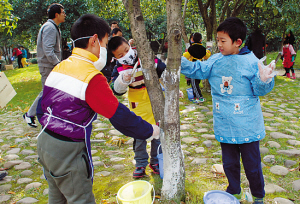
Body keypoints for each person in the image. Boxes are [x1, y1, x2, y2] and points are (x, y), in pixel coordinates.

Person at [36, 14, 160, 204]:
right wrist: (150, 130)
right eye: (105, 43)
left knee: (57, 198)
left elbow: (40, 105)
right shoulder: (91, 77)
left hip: (44, 142)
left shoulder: (61, 66)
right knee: (81, 198)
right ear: (94, 40)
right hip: (68, 150)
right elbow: (119, 115)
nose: (106, 50)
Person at [181, 17, 276, 204]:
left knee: (252, 165)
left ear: (238, 42)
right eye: (217, 40)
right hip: (225, 124)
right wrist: (177, 61)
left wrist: (265, 80)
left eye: (223, 41)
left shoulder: (251, 61)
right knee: (229, 164)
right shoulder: (215, 60)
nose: (219, 45)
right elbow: (196, 69)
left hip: (247, 126)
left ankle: (258, 196)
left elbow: (259, 90)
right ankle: (234, 191)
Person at [108, 36, 166, 178]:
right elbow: (116, 90)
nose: (125, 56)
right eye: (120, 55)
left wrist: (173, 88)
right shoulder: (120, 69)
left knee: (157, 133)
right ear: (115, 58)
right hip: (137, 104)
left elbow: (163, 70)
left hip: (153, 100)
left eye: (126, 50)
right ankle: (140, 163)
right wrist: (122, 81)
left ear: (129, 45)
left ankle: (156, 161)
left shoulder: (144, 57)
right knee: (139, 134)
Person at [23, 3, 65, 128]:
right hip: (48, 66)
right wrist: (58, 64)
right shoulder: (50, 28)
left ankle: (45, 115)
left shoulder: (53, 27)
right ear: (56, 14)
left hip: (50, 66)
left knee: (50, 92)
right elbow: (48, 51)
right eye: (63, 12)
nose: (65, 15)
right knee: (47, 92)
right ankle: (31, 114)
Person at [183, 32, 211, 103]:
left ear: (192, 39)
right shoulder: (203, 49)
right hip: (200, 68)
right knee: (197, 83)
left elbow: (185, 56)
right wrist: (208, 50)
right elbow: (207, 56)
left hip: (193, 69)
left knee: (194, 85)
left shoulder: (191, 49)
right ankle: (196, 97)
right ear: (201, 40)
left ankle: (199, 97)